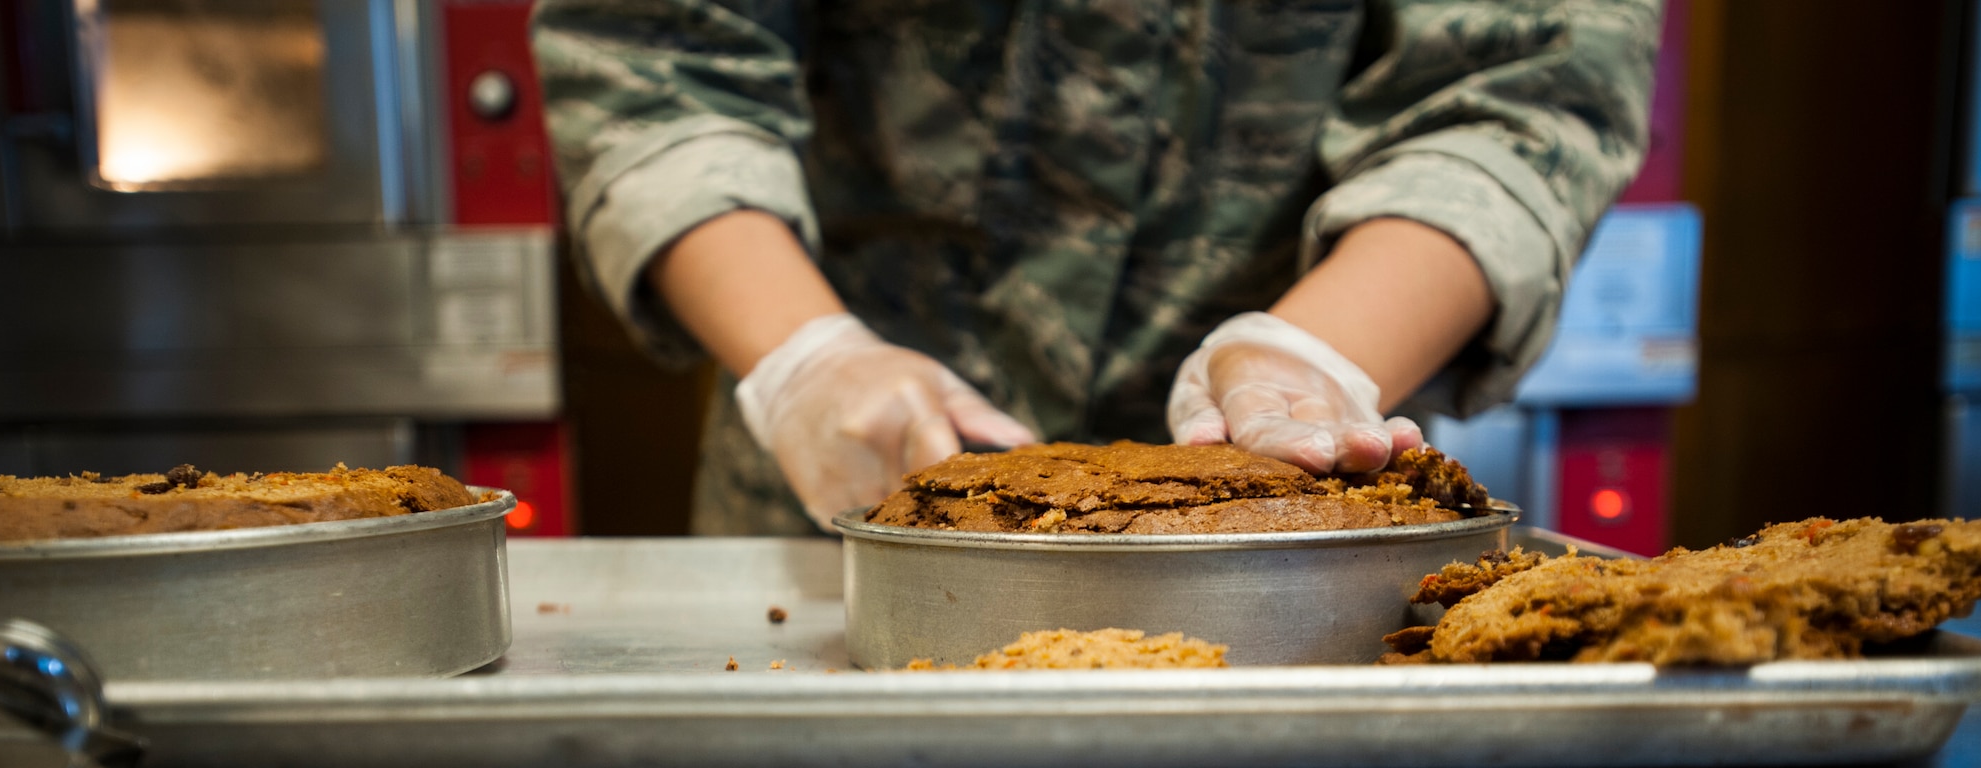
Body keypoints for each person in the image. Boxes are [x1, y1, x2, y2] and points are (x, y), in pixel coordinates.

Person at [533, 0, 1662, 535]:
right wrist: (802, 356)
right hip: (847, 511)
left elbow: (1523, 83)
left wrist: (1306, 354)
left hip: (1283, 527)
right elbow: (653, 56)